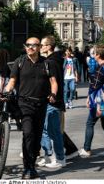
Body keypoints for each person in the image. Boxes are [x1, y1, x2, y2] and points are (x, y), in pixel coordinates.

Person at [2, 37, 58, 179]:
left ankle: (32, 165)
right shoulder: (19, 62)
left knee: (37, 137)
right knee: (28, 134)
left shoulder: (46, 64)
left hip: (41, 104)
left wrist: (53, 94)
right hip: (24, 103)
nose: (30, 47)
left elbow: (53, 82)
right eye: (28, 45)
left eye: (34, 45)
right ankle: (27, 167)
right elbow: (12, 81)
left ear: (39, 47)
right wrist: (6, 91)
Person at [78, 44, 104, 159]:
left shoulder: (100, 69)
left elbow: (94, 86)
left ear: (98, 55)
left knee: (90, 123)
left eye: (94, 53)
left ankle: (86, 149)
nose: (93, 55)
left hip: (99, 101)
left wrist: (89, 98)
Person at [38, 37, 66, 169]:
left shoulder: (51, 62)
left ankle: (60, 158)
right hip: (48, 100)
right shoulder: (54, 60)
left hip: (52, 101)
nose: (40, 47)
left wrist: (53, 95)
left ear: (49, 47)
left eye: (42, 45)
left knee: (54, 131)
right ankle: (48, 156)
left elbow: (54, 82)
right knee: (45, 130)